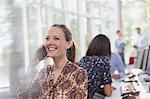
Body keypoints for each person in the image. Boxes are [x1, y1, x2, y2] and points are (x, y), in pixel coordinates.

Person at [17, 24, 88, 99]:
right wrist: (32, 64)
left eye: (56, 38)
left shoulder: (78, 74)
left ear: (68, 44)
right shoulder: (44, 73)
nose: (50, 42)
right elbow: (22, 96)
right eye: (47, 39)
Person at [78, 34, 112, 98]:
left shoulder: (83, 59)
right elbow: (108, 93)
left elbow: (88, 83)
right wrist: (108, 87)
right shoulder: (103, 61)